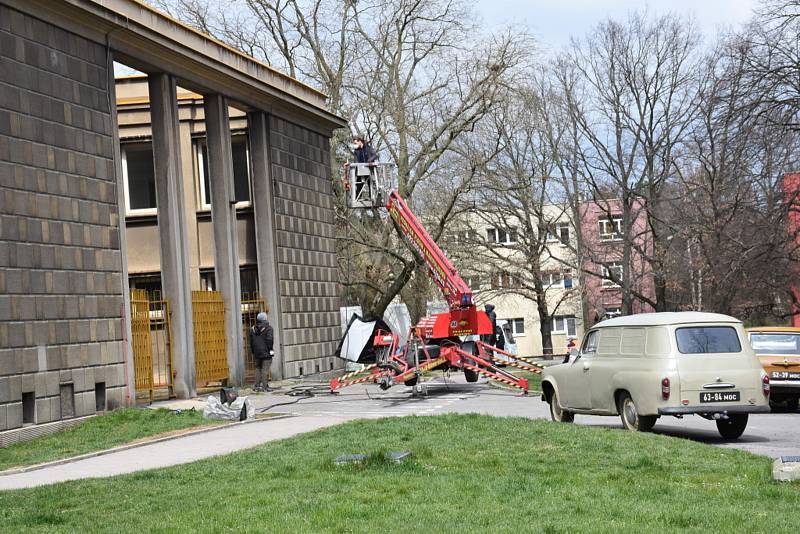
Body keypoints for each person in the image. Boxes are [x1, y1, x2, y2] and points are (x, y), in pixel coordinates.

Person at [250, 312, 274, 392]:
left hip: (257, 353)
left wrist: (253, 351)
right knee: (265, 369)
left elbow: (251, 341)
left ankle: (256, 386)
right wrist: (270, 350)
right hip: (266, 352)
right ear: (265, 319)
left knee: (258, 368)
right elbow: (269, 340)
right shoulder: (269, 328)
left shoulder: (253, 329)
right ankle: (265, 386)